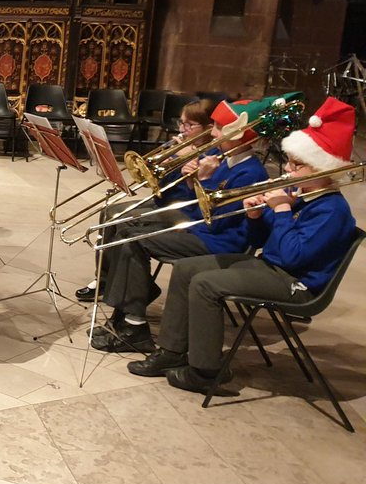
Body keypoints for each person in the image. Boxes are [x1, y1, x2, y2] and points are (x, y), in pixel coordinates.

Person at [128, 97, 358, 393]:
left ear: (321, 169)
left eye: (297, 164)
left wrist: (281, 210)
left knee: (205, 284)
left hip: (296, 283)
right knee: (186, 269)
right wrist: (255, 216)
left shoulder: (331, 210)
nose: (287, 168)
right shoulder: (299, 193)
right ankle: (171, 352)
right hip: (272, 266)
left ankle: (205, 370)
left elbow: (292, 257)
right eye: (288, 160)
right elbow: (260, 241)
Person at [91, 97, 271, 353]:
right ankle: (128, 313)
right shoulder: (223, 160)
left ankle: (135, 326)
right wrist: (189, 180)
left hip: (216, 241)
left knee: (131, 237)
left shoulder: (250, 173)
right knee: (125, 230)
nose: (214, 132)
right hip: (198, 228)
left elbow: (215, 222)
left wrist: (204, 180)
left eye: (219, 127)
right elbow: (196, 207)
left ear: (238, 136)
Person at [76, 98, 217, 302]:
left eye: (189, 125)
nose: (182, 129)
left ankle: (134, 286)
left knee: (122, 222)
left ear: (208, 128)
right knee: (109, 211)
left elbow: (194, 196)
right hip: (165, 201)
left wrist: (188, 164)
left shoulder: (212, 155)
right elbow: (160, 184)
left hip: (184, 211)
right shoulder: (180, 145)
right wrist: (166, 165)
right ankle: (106, 278)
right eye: (181, 123)